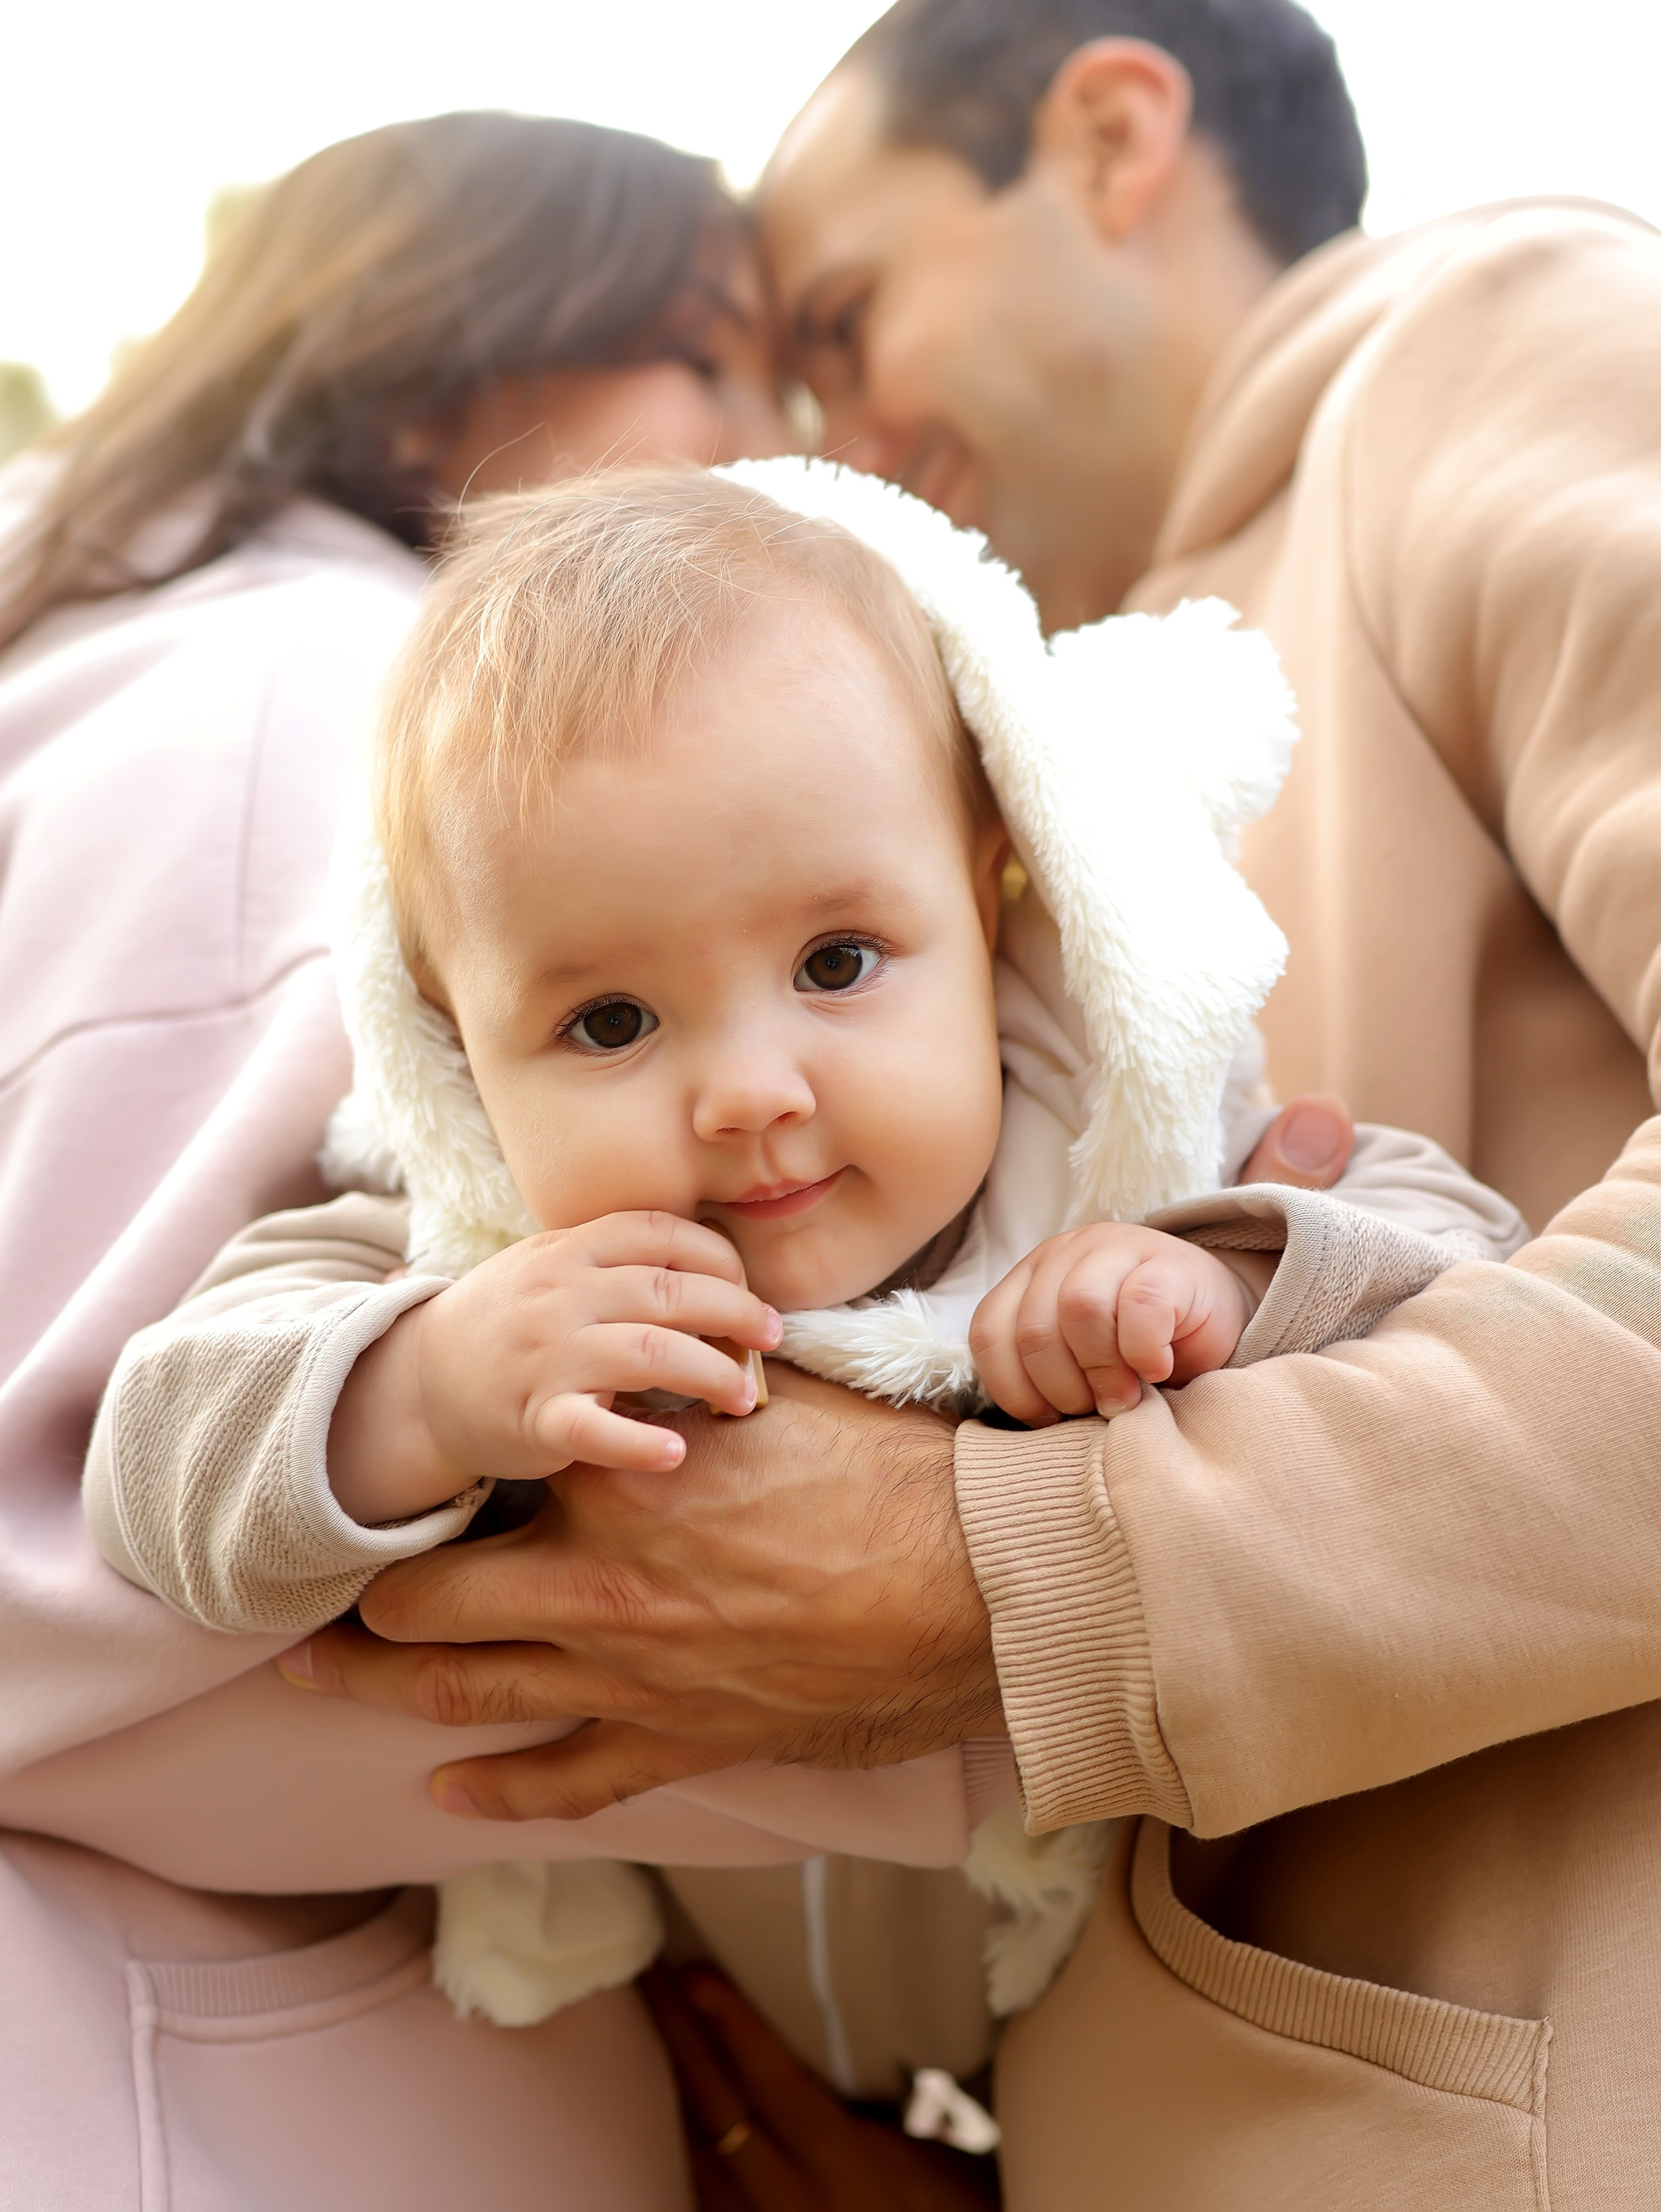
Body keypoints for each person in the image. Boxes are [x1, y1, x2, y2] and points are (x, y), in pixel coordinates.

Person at [279, 3, 1661, 2206]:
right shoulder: (1010, 771)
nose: (826, 435)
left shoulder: (1483, 347)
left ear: (1111, 135)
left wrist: (1007, 1569)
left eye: (838, 320)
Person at [82, 459, 1524, 2053]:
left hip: (1138, 2017)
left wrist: (1230, 1283)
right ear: (455, 1041)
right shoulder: (474, 1255)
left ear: (989, 887)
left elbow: (1468, 1277)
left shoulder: (1118, 1155)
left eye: (835, 962)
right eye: (608, 1022)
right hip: (704, 2041)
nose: (751, 1093)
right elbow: (151, 1472)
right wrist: (417, 1387)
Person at [0, 108, 799, 2209]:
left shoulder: (156, 659)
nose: (766, 443)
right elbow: (57, 1561)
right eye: (706, 355)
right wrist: (978, 1707)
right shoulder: (318, 711)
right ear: (452, 358)